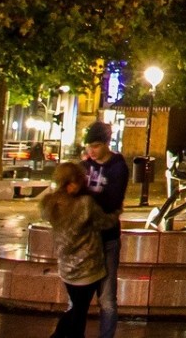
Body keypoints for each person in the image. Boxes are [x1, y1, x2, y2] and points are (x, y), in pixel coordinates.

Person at [39, 161, 107, 338]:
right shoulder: (85, 204)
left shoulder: (51, 205)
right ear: (71, 183)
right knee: (79, 311)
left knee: (77, 308)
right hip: (88, 268)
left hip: (67, 269)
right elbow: (104, 222)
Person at [82, 121, 130, 338]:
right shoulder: (84, 166)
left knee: (107, 299)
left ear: (106, 144)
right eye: (88, 146)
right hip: (85, 240)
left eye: (96, 145)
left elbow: (112, 200)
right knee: (78, 298)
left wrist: (85, 201)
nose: (91, 150)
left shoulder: (118, 167)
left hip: (108, 239)